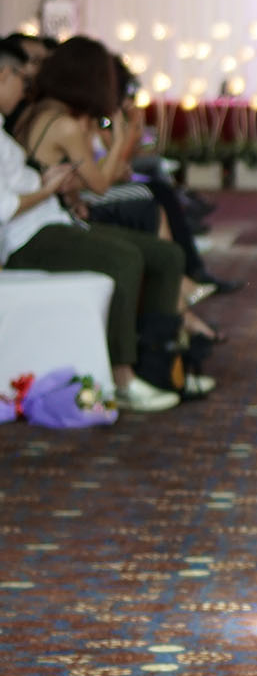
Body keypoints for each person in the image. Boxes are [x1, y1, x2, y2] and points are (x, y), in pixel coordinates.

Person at [0, 39, 186, 411]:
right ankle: (123, 377)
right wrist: (50, 188)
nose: (25, 86)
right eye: (20, 77)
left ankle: (159, 366)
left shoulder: (20, 123)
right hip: (27, 237)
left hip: (50, 220)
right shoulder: (58, 120)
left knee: (166, 256)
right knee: (126, 258)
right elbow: (6, 205)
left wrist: (51, 186)